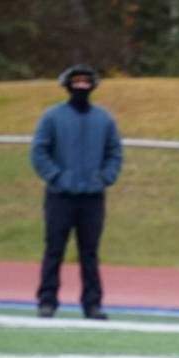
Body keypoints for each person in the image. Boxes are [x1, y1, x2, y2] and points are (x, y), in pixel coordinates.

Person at [30, 63, 123, 320]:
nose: (81, 86)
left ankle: (92, 304)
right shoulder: (52, 117)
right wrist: (56, 176)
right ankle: (47, 301)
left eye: (86, 82)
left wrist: (104, 177)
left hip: (92, 198)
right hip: (60, 197)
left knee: (89, 252)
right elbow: (39, 151)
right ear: (68, 85)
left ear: (93, 86)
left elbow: (114, 152)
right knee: (54, 249)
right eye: (77, 82)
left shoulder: (104, 119)